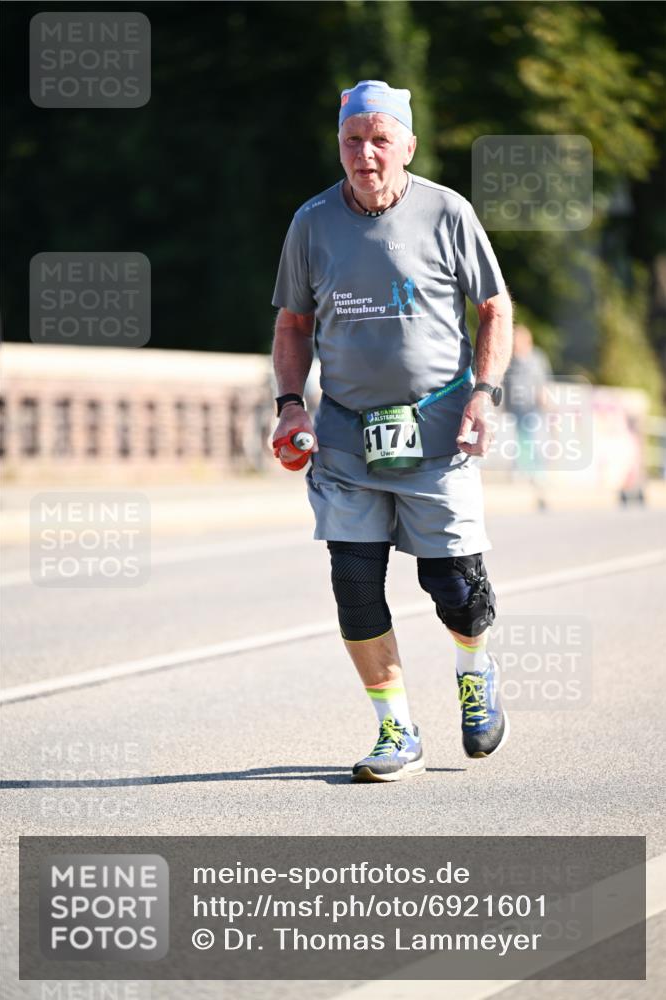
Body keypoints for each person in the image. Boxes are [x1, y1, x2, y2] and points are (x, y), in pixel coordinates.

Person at [271, 80, 513, 782]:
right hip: (346, 434)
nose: (366, 154)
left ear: (407, 144)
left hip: (439, 433)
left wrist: (484, 394)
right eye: (353, 140)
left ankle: (474, 672)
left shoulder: (447, 212)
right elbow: (292, 324)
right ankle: (395, 729)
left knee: (455, 588)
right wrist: (291, 403)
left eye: (381, 139)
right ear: (338, 145)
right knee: (353, 580)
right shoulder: (311, 222)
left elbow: (494, 308)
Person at [502, 324, 553, 508]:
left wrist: (544, 396)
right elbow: (506, 384)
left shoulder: (537, 358)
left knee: (534, 440)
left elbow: (544, 380)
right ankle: (522, 473)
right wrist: (504, 405)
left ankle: (538, 474)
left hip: (533, 408)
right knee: (520, 440)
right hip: (516, 408)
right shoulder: (510, 360)